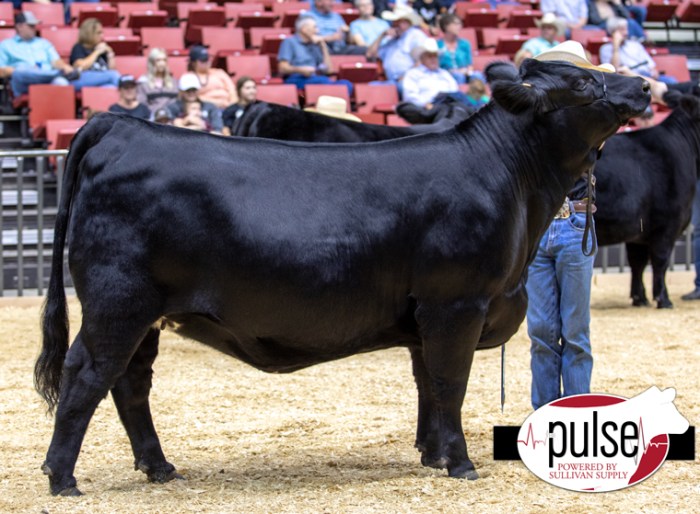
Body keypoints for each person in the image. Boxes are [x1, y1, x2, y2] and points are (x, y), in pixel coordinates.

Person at [524, 41, 611, 410]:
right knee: (542, 331)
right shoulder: (531, 116)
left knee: (573, 331)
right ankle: (545, 415)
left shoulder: (592, 119)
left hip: (572, 219)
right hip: (543, 223)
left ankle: (575, 413)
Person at [0, 12, 75, 96]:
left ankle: (51, 75)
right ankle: (52, 74)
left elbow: (55, 61)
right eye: (31, 26)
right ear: (19, 26)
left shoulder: (44, 43)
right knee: (19, 73)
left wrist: (64, 66)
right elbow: (1, 70)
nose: (34, 28)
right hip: (23, 82)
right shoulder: (5, 45)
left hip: (46, 79)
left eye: (35, 26)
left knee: (62, 82)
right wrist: (20, 71)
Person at [278, 16, 353, 96]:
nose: (317, 31)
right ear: (304, 29)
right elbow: (282, 68)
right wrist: (301, 70)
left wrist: (323, 46)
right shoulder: (290, 42)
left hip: (317, 78)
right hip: (297, 79)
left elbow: (329, 70)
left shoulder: (315, 44)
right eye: (315, 27)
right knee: (323, 82)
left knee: (346, 84)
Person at [599, 17, 676, 84]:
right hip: (632, 79)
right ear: (613, 32)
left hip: (649, 76)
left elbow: (651, 64)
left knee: (671, 81)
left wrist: (654, 71)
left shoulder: (635, 44)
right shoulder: (605, 49)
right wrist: (616, 47)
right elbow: (613, 72)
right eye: (622, 30)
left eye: (626, 29)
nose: (626, 33)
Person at [366, 5, 427, 84]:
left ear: (407, 22)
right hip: (392, 81)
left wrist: (405, 77)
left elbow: (423, 61)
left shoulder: (415, 35)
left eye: (399, 22)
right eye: (394, 21)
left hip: (411, 80)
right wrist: (382, 35)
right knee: (371, 86)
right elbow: (370, 54)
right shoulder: (391, 40)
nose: (395, 24)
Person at [401, 38, 459, 107]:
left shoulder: (444, 73)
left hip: (447, 106)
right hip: (426, 109)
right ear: (422, 58)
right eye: (429, 56)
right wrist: (425, 105)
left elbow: (454, 90)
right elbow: (410, 97)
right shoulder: (413, 74)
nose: (433, 59)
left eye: (435, 56)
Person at [68, 18, 121, 92]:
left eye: (102, 33)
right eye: (99, 33)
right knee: (113, 75)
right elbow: (80, 66)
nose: (102, 36)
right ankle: (130, 94)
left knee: (110, 88)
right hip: (81, 79)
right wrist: (97, 52)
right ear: (89, 33)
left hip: (100, 80)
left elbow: (111, 69)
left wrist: (110, 54)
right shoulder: (79, 47)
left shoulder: (101, 48)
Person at [179, 45, 237, 110]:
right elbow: (190, 97)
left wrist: (232, 106)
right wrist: (215, 103)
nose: (207, 62)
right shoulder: (189, 77)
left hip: (228, 108)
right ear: (193, 63)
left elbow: (232, 91)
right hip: (205, 110)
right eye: (203, 60)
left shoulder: (220, 72)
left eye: (207, 59)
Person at [137, 47, 179, 113]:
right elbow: (142, 104)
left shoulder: (174, 82)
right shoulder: (143, 82)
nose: (162, 63)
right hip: (152, 118)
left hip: (172, 117)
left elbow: (178, 102)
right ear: (152, 62)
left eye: (164, 60)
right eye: (158, 60)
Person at [436, 13, 473, 85]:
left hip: (464, 73)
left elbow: (470, 65)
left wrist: (468, 71)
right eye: (455, 24)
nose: (459, 27)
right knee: (458, 76)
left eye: (460, 24)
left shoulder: (465, 43)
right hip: (445, 75)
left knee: (477, 76)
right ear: (446, 26)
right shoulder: (437, 45)